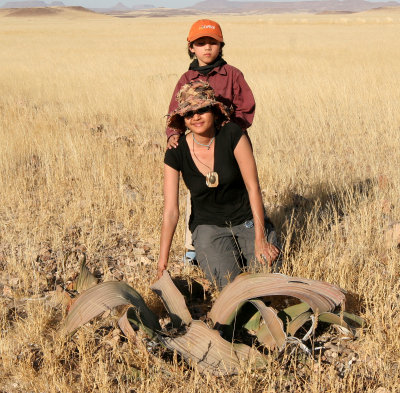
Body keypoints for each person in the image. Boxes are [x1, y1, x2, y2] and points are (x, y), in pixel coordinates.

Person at [158, 81, 280, 289]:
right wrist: (162, 263)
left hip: (246, 221)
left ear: (214, 111)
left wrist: (260, 239)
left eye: (202, 109)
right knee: (229, 287)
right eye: (189, 114)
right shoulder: (175, 151)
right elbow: (170, 211)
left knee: (267, 278)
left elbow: (253, 188)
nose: (196, 117)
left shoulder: (232, 134)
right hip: (208, 227)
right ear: (183, 120)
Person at [166, 19, 255, 149]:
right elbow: (175, 110)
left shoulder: (233, 74)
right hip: (199, 140)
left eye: (213, 43)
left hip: (232, 141)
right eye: (201, 44)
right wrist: (173, 133)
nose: (208, 47)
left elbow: (246, 108)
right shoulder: (186, 78)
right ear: (191, 48)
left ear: (220, 46)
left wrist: (230, 129)